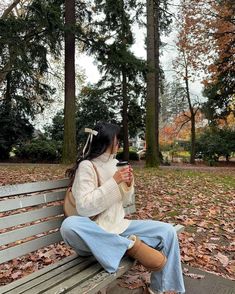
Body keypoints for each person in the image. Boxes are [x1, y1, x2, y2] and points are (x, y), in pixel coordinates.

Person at [60, 122, 185, 294]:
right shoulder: (87, 166)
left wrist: (128, 184)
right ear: (105, 141)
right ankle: (128, 246)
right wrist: (115, 181)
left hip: (119, 228)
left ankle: (163, 290)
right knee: (69, 225)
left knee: (167, 232)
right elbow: (84, 208)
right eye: (116, 139)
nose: (118, 143)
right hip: (94, 235)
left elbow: (125, 201)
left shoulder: (116, 164)